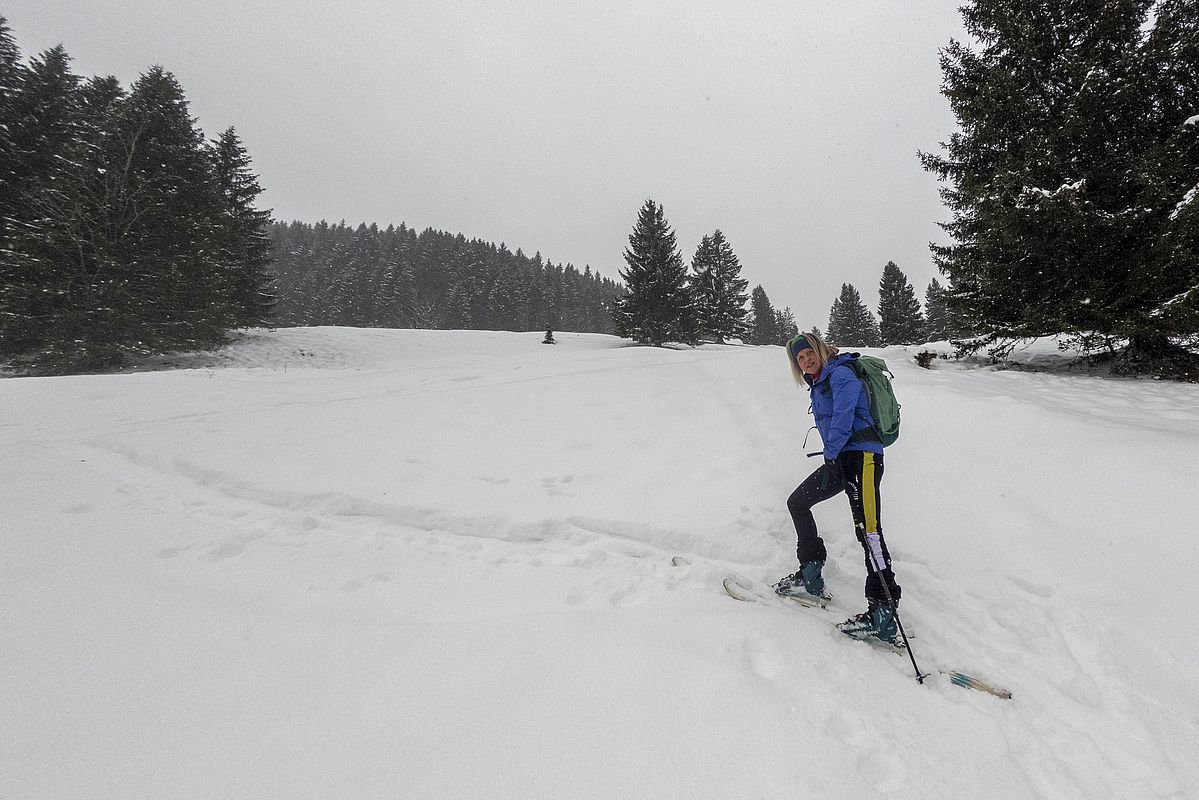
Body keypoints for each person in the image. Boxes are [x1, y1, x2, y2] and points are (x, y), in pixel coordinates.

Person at [773, 331, 903, 646]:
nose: (805, 360)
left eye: (808, 354)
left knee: (869, 532)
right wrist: (834, 456)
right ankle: (811, 573)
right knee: (798, 503)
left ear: (818, 350)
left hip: (863, 458)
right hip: (842, 459)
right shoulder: (819, 383)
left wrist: (831, 452)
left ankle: (883, 613)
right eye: (799, 358)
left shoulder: (841, 373)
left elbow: (844, 417)